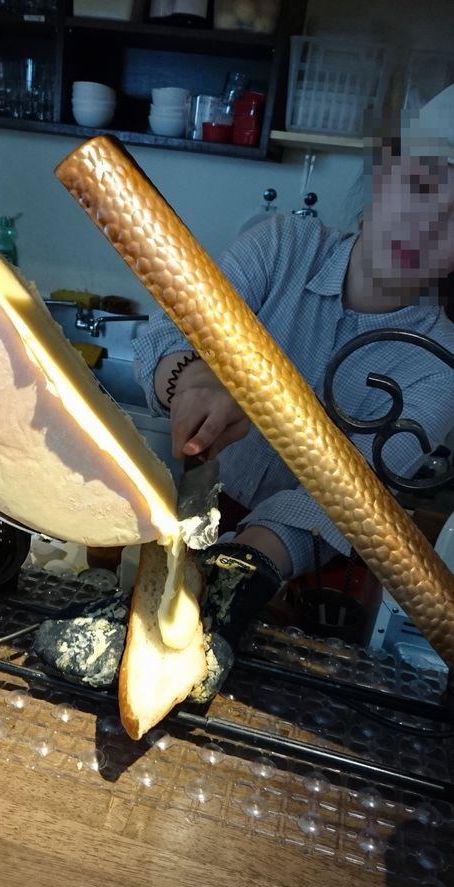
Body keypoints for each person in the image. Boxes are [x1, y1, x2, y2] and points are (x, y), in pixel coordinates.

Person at [133, 85, 454, 645]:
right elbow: (165, 333)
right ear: (385, 174)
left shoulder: (440, 367)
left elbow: (344, 504)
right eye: (421, 186)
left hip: (307, 570)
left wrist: (240, 569)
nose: (427, 226)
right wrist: (194, 376)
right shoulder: (281, 247)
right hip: (195, 511)